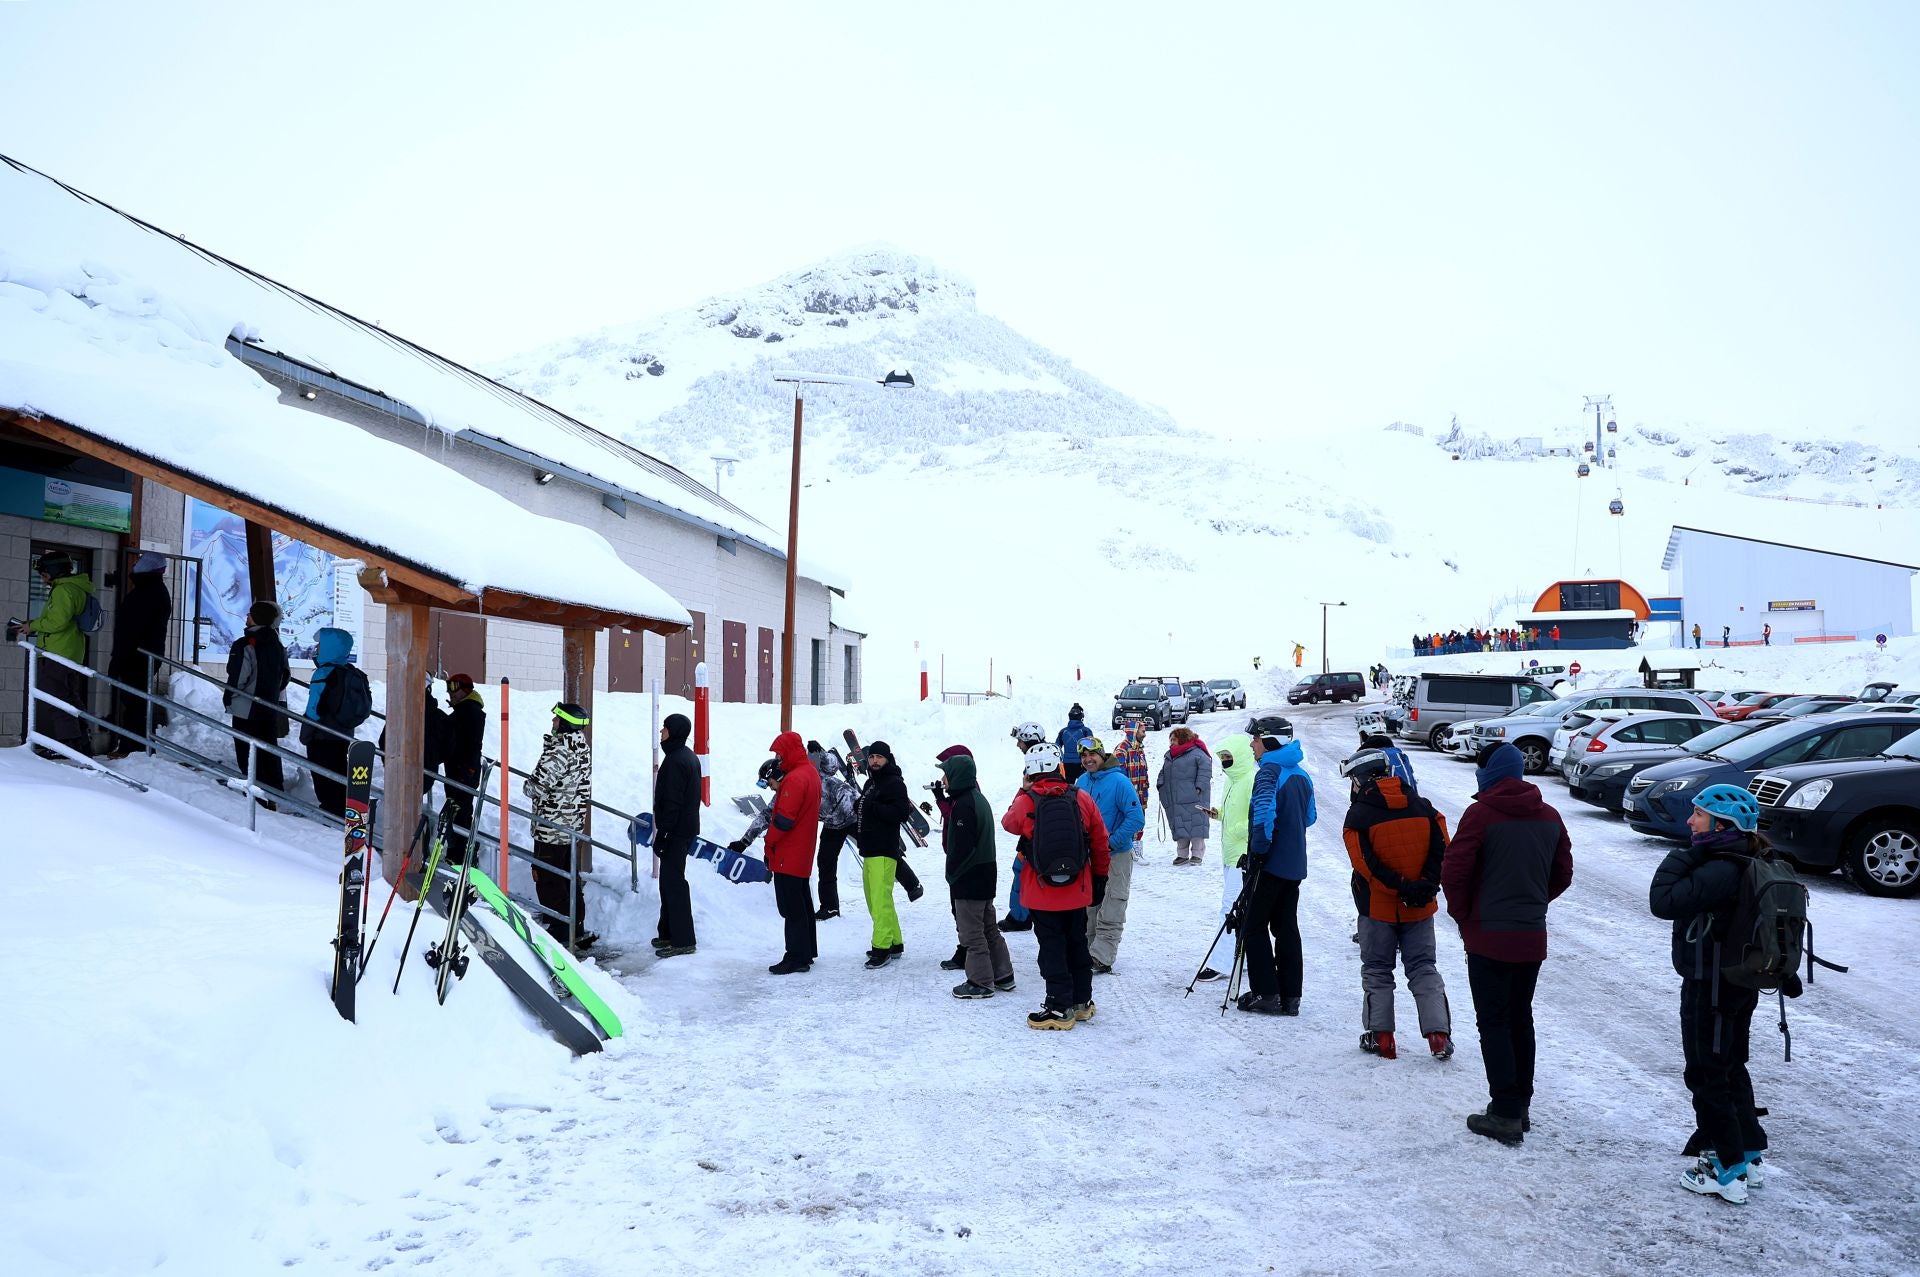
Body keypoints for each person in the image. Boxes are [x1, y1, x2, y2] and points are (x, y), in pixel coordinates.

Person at [1648, 784, 1779, 1206]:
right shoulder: (1752, 859)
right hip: (1738, 984)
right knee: (1730, 1065)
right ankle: (1747, 1152)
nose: (1690, 821)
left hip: (1712, 987)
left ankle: (1725, 1170)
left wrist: (1684, 853)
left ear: (1722, 825)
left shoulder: (1719, 867)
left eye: (1698, 815)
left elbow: (1662, 900)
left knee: (1706, 1073)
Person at [1442, 743, 1574, 1146]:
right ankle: (1521, 1105)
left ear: (1490, 771)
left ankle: (1504, 1111)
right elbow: (1562, 873)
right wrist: (1532, 903)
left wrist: (1466, 917)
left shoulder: (1481, 814)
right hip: (1530, 936)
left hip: (1488, 937)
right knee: (1520, 1018)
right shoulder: (1549, 816)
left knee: (1495, 1022)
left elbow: (1454, 871)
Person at [1341, 747, 1453, 1061]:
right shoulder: (1425, 807)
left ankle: (1382, 1038)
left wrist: (1399, 886)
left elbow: (1365, 864)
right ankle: (1439, 1037)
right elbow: (1442, 849)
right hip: (1420, 905)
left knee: (1377, 970)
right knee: (1423, 967)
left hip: (1377, 908)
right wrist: (1424, 886)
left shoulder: (1358, 816)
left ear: (1362, 779)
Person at [1000, 743, 1111, 1029]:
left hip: (1041, 891)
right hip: (1077, 888)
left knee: (1052, 946)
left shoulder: (1028, 800)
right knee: (1077, 942)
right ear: (1058, 767)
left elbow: (1009, 823)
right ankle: (1081, 1002)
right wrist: (1100, 878)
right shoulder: (1080, 797)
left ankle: (1059, 1007)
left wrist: (1022, 789)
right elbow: (1100, 840)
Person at [1236, 716, 1314, 1015]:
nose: (1252, 745)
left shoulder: (1269, 771)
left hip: (1270, 865)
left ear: (1268, 741)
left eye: (1255, 740)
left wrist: (1258, 852)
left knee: (1252, 926)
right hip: (1294, 865)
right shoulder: (1300, 773)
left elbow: (1263, 816)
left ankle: (1266, 993)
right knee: (1286, 927)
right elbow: (1310, 817)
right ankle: (1290, 996)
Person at [940, 749, 1015, 998]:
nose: (943, 781)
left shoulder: (964, 806)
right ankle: (1003, 975)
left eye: (947, 776)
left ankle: (980, 982)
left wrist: (953, 874)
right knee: (988, 927)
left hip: (970, 877)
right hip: (985, 873)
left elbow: (961, 848)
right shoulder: (975, 798)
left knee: (972, 932)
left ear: (958, 776)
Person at [525, 701, 595, 949]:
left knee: (547, 877)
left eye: (556, 719)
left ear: (565, 723)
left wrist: (528, 785)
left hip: (551, 825)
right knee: (567, 875)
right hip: (571, 825)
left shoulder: (559, 750)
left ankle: (561, 927)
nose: (553, 722)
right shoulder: (580, 747)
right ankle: (576, 925)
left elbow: (536, 787)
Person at [18, 551, 98, 757]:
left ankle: (68, 747)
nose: (43, 580)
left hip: (58, 653)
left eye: (44, 575)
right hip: (70, 652)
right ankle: (81, 744)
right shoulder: (77, 588)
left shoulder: (63, 591)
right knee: (70, 697)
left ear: (53, 572)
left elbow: (57, 622)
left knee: (56, 699)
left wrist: (32, 626)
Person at [1076, 739, 1143, 974]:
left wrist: (1109, 842)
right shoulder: (1081, 782)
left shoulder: (1119, 781)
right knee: (1090, 905)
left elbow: (1136, 817)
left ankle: (1101, 957)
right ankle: (1087, 951)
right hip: (1089, 857)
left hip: (1116, 855)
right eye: (1083, 756)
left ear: (1102, 754)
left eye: (1092, 754)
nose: (1087, 760)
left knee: (1112, 904)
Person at [761, 733, 822, 975]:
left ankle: (796, 956)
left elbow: (784, 820)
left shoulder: (795, 779)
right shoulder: (809, 773)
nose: (778, 758)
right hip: (802, 850)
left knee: (791, 908)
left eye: (779, 753)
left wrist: (769, 841)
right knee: (803, 903)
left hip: (789, 852)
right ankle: (807, 951)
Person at [1199, 732, 1255, 982]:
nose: (1225, 761)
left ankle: (1221, 963)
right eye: (1222, 757)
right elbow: (1235, 812)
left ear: (1241, 755)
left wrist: (1235, 829)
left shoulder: (1252, 778)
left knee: (1230, 908)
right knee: (1239, 908)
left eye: (1228, 757)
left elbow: (1257, 818)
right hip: (1229, 854)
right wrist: (1218, 814)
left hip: (1243, 857)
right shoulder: (1232, 780)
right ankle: (1241, 956)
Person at [223, 600, 289, 806]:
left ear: (256, 617)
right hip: (268, 706)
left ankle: (256, 795)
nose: (247, 617)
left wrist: (230, 696)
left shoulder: (245, 644)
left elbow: (238, 677)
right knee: (267, 748)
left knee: (247, 750)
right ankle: (274, 792)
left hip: (246, 708)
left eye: (250, 614)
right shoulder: (277, 644)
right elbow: (285, 675)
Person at [855, 740, 915, 968]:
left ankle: (882, 948)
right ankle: (895, 942)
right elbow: (865, 806)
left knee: (879, 900)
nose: (874, 761)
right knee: (876, 898)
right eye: (871, 757)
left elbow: (901, 812)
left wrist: (874, 809)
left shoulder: (894, 783)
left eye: (879, 757)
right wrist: (860, 807)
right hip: (869, 849)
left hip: (883, 849)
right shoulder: (871, 783)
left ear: (888, 759)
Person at [105, 552, 171, 756]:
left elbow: (131, 631)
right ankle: (137, 747)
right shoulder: (152, 590)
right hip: (143, 656)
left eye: (139, 562)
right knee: (136, 704)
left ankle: (132, 748)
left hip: (137, 657)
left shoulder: (146, 593)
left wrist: (117, 661)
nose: (134, 565)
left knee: (134, 705)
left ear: (147, 567)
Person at [299, 626, 370, 817]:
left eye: (320, 644)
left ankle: (330, 815)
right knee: (339, 775)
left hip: (321, 736)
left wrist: (305, 734)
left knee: (324, 778)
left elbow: (313, 709)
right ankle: (341, 812)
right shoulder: (350, 673)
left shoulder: (324, 674)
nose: (317, 648)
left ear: (329, 647)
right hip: (343, 736)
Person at [651, 711, 701, 957]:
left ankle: (683, 940)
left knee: (674, 883)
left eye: (665, 728)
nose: (661, 732)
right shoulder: (684, 756)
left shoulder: (675, 761)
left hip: (677, 831)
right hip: (682, 829)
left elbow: (672, 803)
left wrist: (664, 835)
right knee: (668, 881)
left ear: (675, 731)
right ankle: (668, 933)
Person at [998, 721, 1049, 932]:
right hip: (1042, 830)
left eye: (1020, 741)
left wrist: (1021, 796)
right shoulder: (1048, 758)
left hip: (1035, 833)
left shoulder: (1037, 764)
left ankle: (1020, 917)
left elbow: (1030, 798)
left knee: (1021, 870)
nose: (1018, 745)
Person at [803, 741, 859, 921]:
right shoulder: (793, 778)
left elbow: (833, 765)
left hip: (852, 811)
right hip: (832, 822)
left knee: (876, 846)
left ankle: (911, 882)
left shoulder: (810, 761)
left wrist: (820, 752)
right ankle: (830, 907)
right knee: (825, 861)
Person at [436, 674, 488, 866]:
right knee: (457, 810)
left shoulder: (469, 711)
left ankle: (461, 854)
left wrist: (468, 770)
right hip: (461, 769)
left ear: (465, 690)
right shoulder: (464, 710)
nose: (450, 692)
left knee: (461, 812)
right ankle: (458, 852)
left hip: (464, 771)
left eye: (454, 688)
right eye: (449, 687)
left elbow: (470, 744)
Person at [1157, 726, 1214, 865]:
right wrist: (1160, 784)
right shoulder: (1170, 755)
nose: (1171, 743)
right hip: (1176, 798)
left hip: (1194, 797)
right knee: (1180, 826)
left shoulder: (1197, 753)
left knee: (1196, 827)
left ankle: (1197, 854)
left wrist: (1199, 787)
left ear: (1182, 739)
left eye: (1174, 740)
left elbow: (1205, 770)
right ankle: (1182, 855)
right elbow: (1163, 772)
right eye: (1170, 740)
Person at [1110, 720, 1151, 841]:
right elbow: (1118, 776)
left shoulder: (1139, 750)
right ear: (1133, 732)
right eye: (1142, 731)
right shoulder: (1122, 750)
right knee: (1127, 825)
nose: (1144, 734)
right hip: (1127, 798)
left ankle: (1136, 850)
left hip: (1140, 797)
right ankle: (1128, 851)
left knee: (1139, 823)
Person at [1057, 704, 1094, 782]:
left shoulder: (1063, 731)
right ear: (1081, 717)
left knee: (1068, 789)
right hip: (1082, 763)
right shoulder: (1086, 731)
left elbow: (1057, 747)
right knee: (1086, 786)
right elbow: (1092, 747)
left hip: (1067, 764)